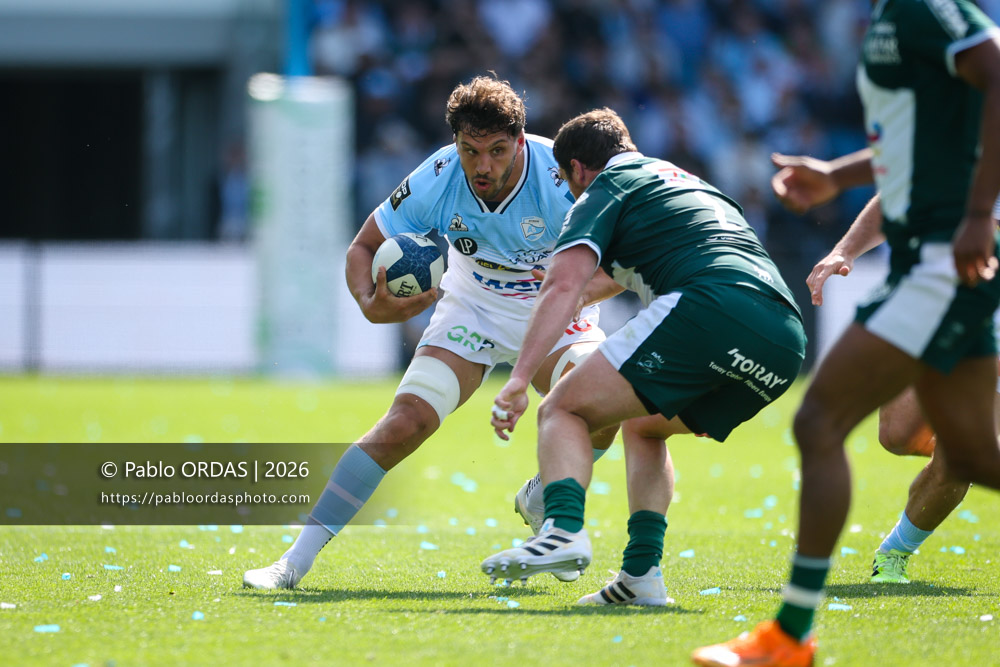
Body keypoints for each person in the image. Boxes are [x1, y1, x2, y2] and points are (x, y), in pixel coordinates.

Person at [694, 2, 1000, 665]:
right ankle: (790, 635)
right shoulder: (890, 17)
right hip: (934, 261)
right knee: (969, 456)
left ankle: (789, 635)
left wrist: (979, 212)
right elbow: (914, 148)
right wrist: (836, 177)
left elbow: (997, 76)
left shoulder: (928, 8)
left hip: (943, 263)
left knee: (819, 421)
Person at [243, 75, 616, 590]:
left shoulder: (561, 177)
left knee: (603, 407)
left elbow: (622, 263)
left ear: (521, 141)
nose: (482, 165)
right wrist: (370, 305)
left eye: (497, 150)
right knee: (405, 422)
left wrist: (574, 293)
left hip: (557, 307)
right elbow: (362, 247)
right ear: (455, 143)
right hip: (474, 307)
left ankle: (542, 498)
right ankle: (293, 562)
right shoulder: (439, 175)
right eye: (470, 149)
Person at [479, 108, 807, 611]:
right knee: (645, 426)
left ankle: (562, 530)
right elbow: (616, 277)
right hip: (782, 338)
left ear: (577, 170)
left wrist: (519, 377)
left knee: (562, 409)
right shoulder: (681, 181)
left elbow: (565, 283)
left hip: (711, 309)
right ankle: (641, 576)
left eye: (569, 186)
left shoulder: (605, 186)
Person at [774, 169, 1000, 584]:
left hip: (988, 296)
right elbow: (908, 180)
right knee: (897, 436)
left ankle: (893, 553)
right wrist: (845, 247)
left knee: (956, 457)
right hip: (933, 283)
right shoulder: (958, 120)